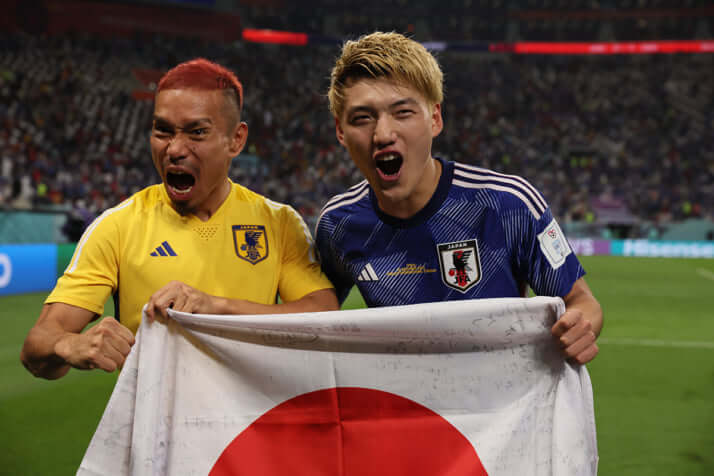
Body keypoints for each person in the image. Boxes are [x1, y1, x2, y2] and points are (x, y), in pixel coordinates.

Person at [21, 58, 338, 380]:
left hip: (253, 413)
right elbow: (37, 345)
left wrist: (216, 308)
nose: (174, 149)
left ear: (236, 140)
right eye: (163, 131)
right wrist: (68, 345)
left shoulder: (278, 222)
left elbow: (324, 315)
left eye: (196, 132)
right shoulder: (117, 226)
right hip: (155, 414)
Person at [315, 32, 602, 364]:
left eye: (403, 112)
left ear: (435, 119)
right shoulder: (338, 225)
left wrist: (581, 326)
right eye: (362, 119)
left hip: (498, 395)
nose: (382, 134)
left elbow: (581, 301)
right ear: (340, 131)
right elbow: (313, 315)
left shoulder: (508, 204)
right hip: (403, 395)